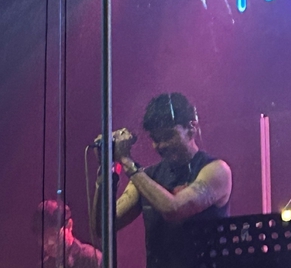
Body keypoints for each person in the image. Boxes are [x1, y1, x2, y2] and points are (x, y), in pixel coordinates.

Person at [92, 93, 232, 268]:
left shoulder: (216, 170)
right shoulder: (147, 177)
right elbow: (103, 228)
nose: (161, 145)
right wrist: (105, 170)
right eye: (156, 139)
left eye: (168, 136)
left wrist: (127, 162)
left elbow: (173, 209)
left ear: (191, 128)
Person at [33, 199, 102, 268]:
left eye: (53, 235)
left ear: (69, 225)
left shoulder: (92, 259)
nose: (49, 243)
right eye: (43, 239)